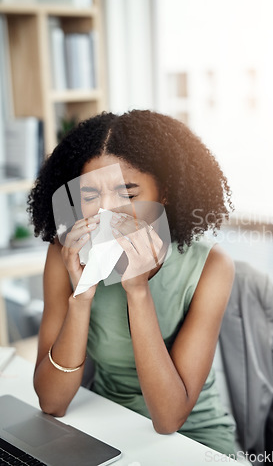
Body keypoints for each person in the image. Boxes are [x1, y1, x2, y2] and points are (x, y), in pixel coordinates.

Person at [28, 109, 236, 456]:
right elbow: (51, 402)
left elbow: (169, 418)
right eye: (91, 196)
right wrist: (81, 296)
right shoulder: (64, 254)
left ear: (164, 192)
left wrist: (137, 290)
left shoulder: (212, 265)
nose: (108, 211)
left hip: (192, 437)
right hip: (105, 424)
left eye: (127, 192)